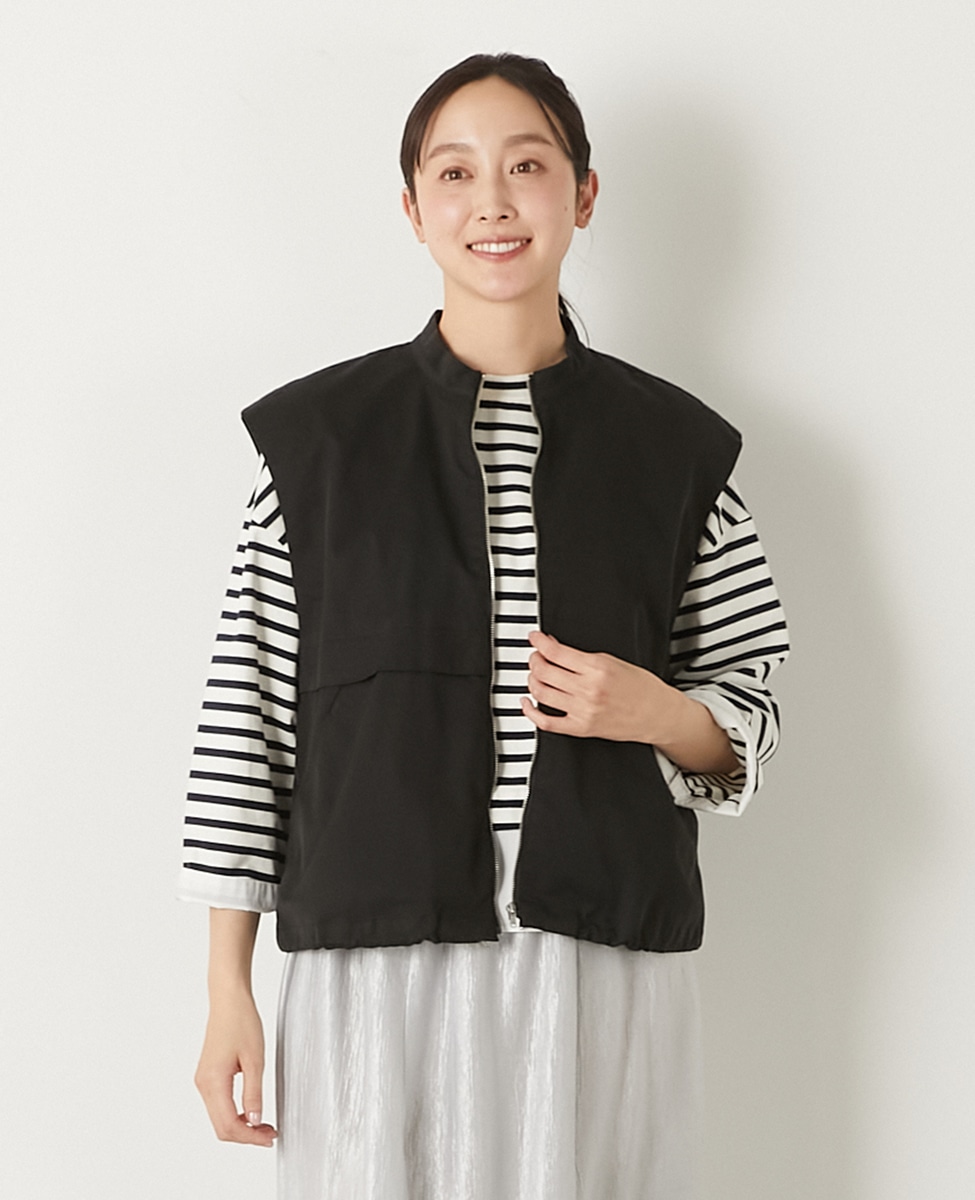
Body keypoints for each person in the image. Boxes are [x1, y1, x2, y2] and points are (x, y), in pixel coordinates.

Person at [178, 52, 790, 1200]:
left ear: (584, 194)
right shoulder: (317, 449)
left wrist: (656, 711)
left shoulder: (678, 453)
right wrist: (227, 990)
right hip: (375, 956)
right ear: (414, 209)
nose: (493, 202)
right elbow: (245, 730)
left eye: (528, 166)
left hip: (598, 958)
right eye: (455, 173)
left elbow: (749, 712)